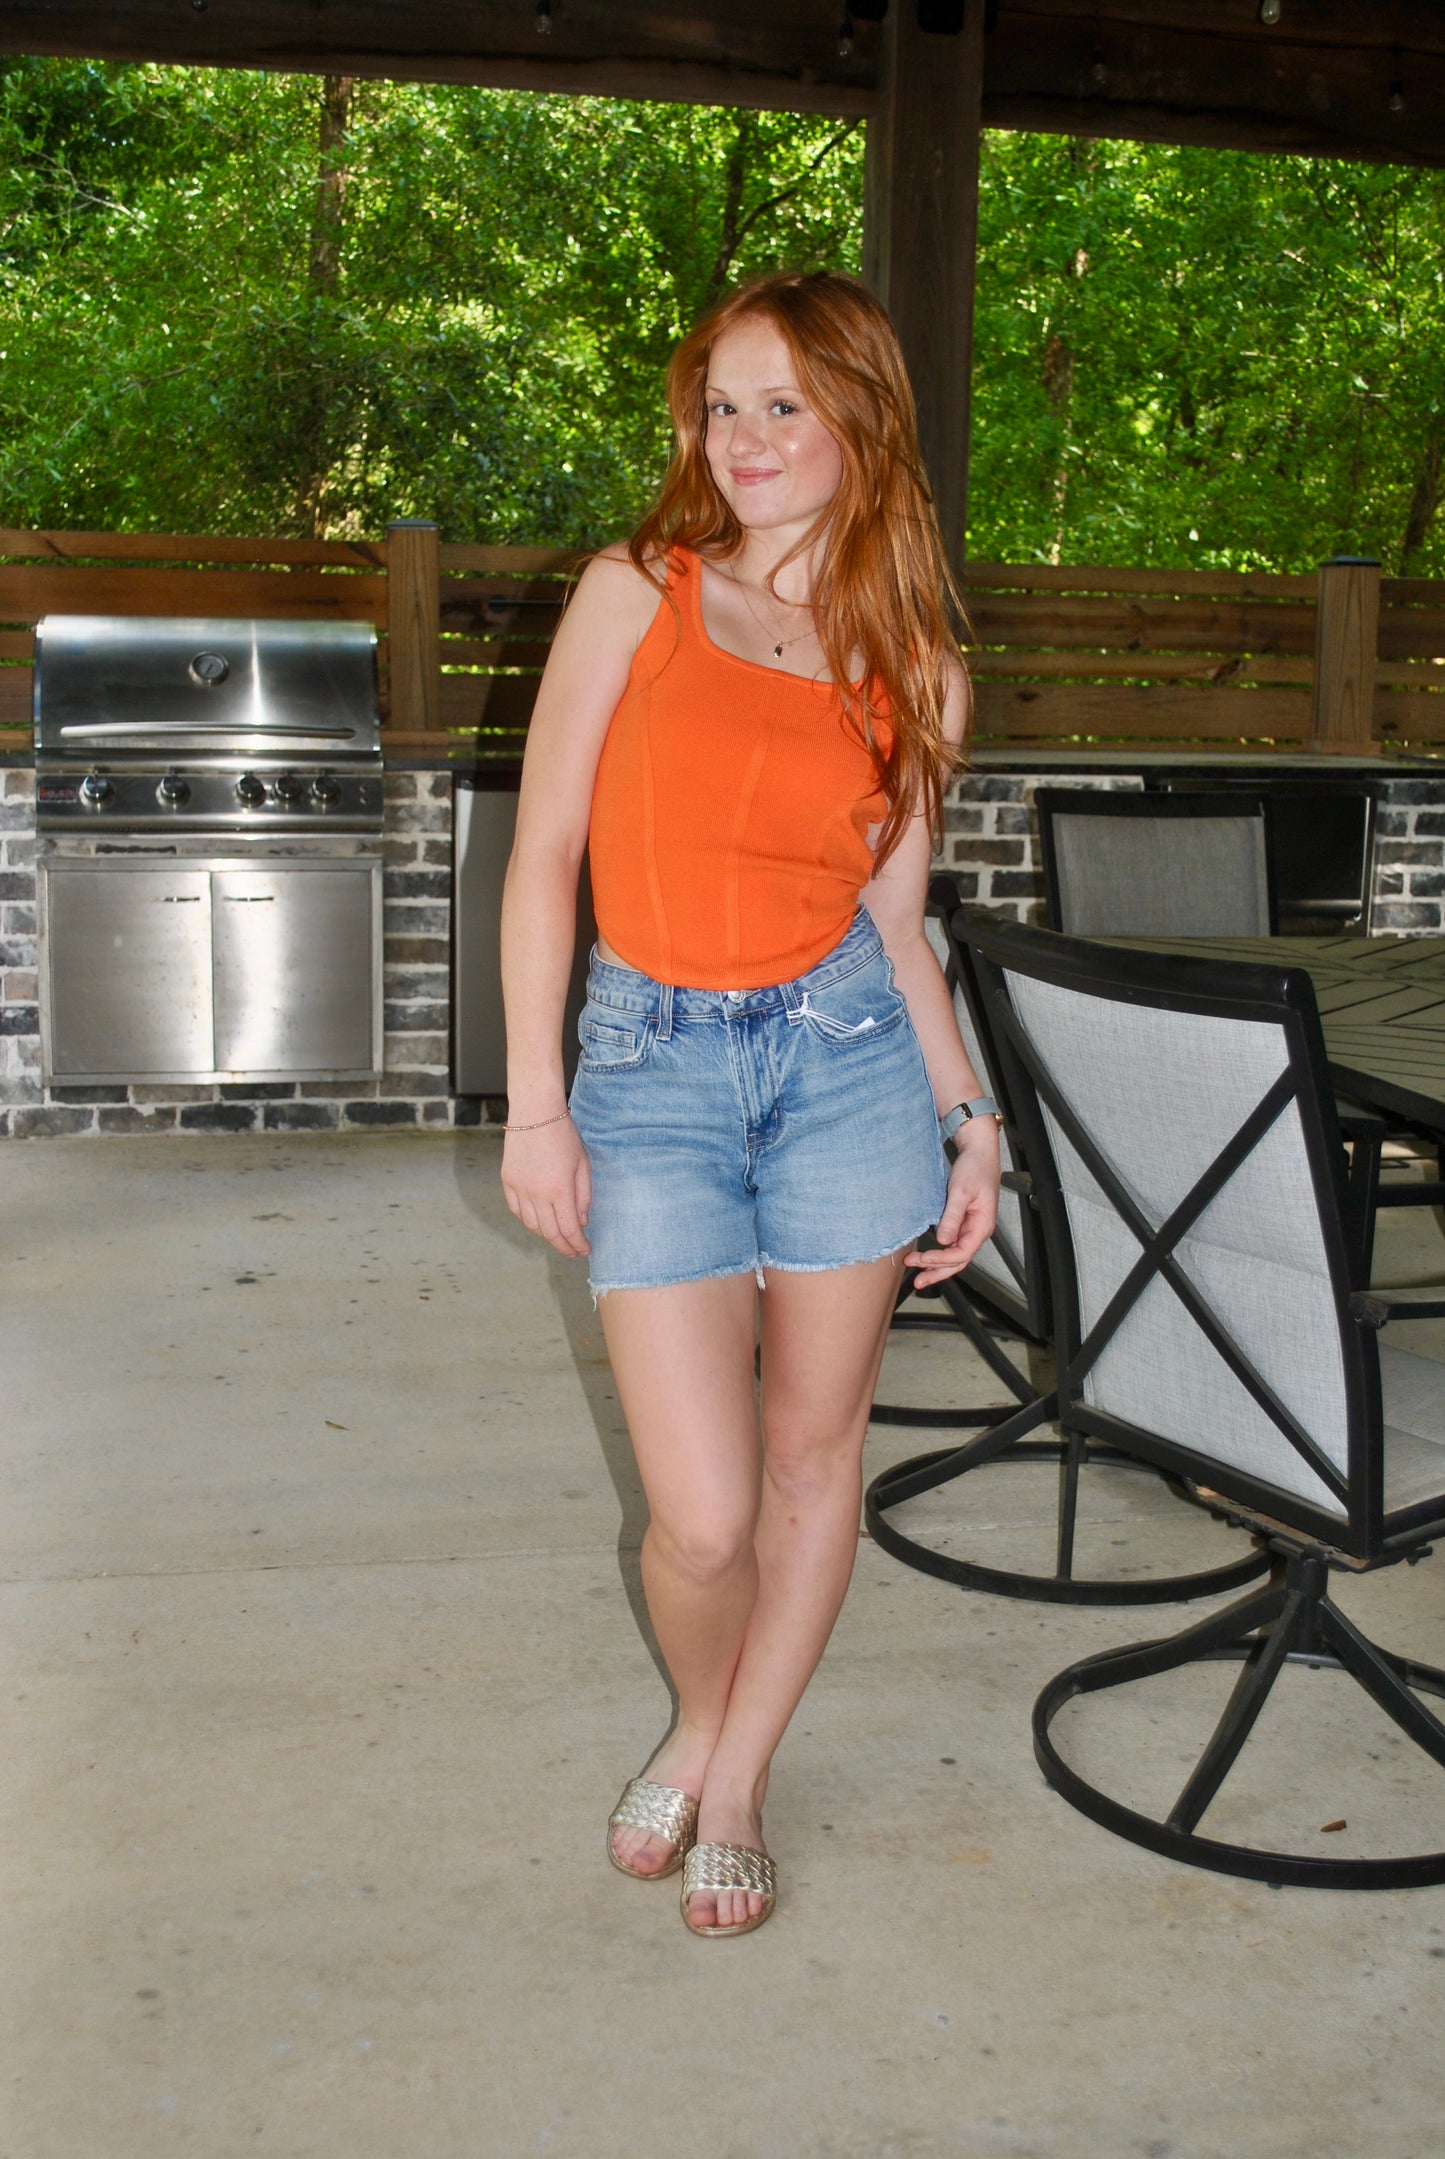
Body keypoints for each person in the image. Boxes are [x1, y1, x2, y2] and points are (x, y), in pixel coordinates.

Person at [499, 270, 1000, 1939]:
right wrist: (534, 1107)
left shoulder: (914, 663)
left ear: (861, 416)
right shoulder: (633, 590)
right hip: (648, 1066)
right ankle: (702, 1707)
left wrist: (970, 1115)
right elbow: (546, 858)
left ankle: (733, 1770)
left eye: (783, 402)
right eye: (723, 402)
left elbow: (896, 923)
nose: (746, 436)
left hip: (849, 1064)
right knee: (700, 1520)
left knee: (808, 1464)